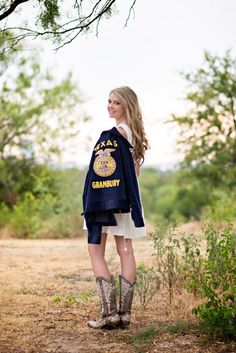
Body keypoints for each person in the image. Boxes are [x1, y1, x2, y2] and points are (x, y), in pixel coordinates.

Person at [82, 86, 149, 329]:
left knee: (95, 250)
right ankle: (124, 315)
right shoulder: (134, 134)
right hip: (129, 199)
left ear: (127, 106)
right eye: (109, 101)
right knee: (126, 251)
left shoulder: (114, 134)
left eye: (116, 103)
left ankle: (109, 315)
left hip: (108, 199)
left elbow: (101, 171)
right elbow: (136, 173)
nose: (110, 106)